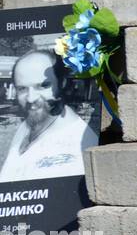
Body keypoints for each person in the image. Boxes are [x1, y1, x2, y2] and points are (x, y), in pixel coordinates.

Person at [0, 50, 96, 183]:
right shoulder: (29, 125)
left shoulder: (75, 148)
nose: (31, 98)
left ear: (62, 83)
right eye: (22, 89)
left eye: (42, 86)